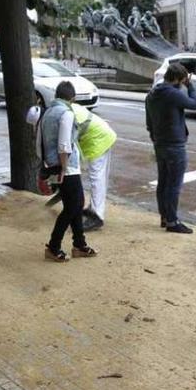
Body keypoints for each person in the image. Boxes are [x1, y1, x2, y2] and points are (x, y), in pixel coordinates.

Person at [41, 81, 97, 262]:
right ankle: (54, 246)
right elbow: (64, 143)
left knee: (74, 204)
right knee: (75, 205)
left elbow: (38, 142)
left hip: (52, 164)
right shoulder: (66, 113)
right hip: (67, 167)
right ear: (72, 98)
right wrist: (64, 167)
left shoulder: (47, 112)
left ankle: (79, 244)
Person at [145, 62, 196, 234]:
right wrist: (190, 87)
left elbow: (149, 122)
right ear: (177, 79)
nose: (183, 82)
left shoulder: (152, 94)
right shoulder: (173, 94)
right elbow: (195, 104)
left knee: (163, 182)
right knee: (174, 185)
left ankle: (164, 216)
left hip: (159, 143)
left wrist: (155, 137)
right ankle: (172, 221)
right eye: (183, 79)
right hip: (175, 145)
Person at [70, 102, 116, 231]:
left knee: (97, 179)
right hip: (102, 136)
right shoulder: (67, 108)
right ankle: (94, 208)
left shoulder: (64, 115)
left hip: (98, 140)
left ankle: (97, 216)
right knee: (100, 178)